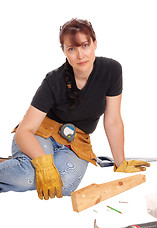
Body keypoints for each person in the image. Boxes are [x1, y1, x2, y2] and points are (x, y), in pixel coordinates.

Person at [0, 18, 150, 200]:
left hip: (76, 142)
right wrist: (43, 164)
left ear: (95, 44)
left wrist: (121, 162)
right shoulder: (53, 81)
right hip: (40, 133)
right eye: (72, 49)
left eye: (85, 45)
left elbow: (113, 120)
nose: (80, 55)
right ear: (64, 51)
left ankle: (17, 165)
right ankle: (23, 166)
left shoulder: (111, 70)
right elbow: (25, 131)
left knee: (64, 186)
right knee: (27, 176)